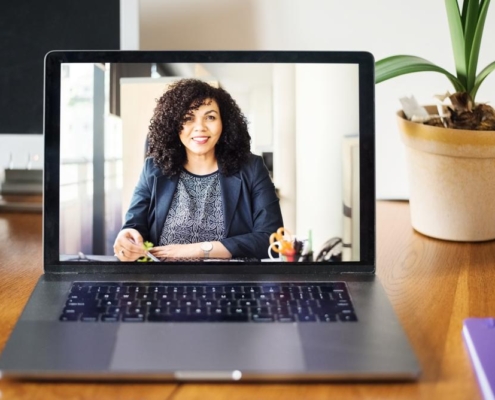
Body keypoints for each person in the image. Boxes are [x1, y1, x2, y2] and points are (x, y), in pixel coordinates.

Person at [114, 79, 283, 261]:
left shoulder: (251, 168)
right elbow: (134, 225)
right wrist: (128, 236)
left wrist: (198, 250)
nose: (200, 127)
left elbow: (272, 239)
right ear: (173, 126)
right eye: (188, 118)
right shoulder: (153, 169)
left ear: (224, 123)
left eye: (210, 117)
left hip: (231, 284)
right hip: (165, 283)